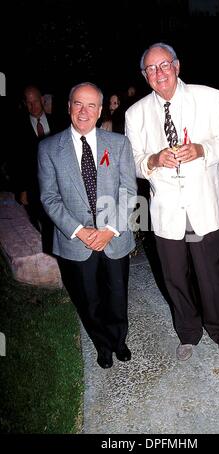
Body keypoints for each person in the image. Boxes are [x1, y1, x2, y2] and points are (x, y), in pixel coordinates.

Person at [125, 43, 219, 361]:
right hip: (165, 212)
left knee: (210, 274)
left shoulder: (209, 96)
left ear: (177, 66)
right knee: (174, 276)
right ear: (145, 75)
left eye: (164, 65)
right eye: (151, 69)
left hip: (203, 205)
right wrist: (154, 159)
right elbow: (131, 161)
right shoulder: (135, 113)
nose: (159, 73)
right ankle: (188, 332)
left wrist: (202, 149)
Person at [38, 82, 137, 369]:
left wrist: (109, 231)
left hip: (114, 237)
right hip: (75, 241)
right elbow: (49, 197)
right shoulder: (48, 149)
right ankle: (102, 345)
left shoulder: (118, 144)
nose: (84, 111)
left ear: (100, 110)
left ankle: (119, 341)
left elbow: (129, 192)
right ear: (68, 107)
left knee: (117, 296)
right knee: (90, 301)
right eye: (78, 104)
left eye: (91, 105)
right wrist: (81, 232)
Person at [14, 85, 58, 253]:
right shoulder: (18, 128)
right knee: (41, 221)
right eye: (29, 103)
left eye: (36, 101)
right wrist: (22, 189)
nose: (33, 106)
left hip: (57, 184)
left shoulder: (58, 122)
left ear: (42, 100)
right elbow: (17, 162)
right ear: (25, 104)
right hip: (33, 187)